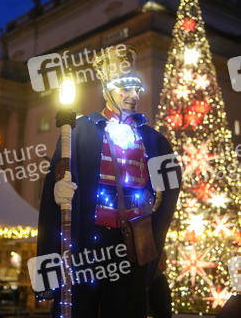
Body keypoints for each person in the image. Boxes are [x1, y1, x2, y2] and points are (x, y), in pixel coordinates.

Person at [37, 44, 181, 318]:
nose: (133, 96)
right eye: (124, 89)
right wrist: (58, 189)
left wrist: (155, 218)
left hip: (132, 245)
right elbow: (57, 176)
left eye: (136, 89)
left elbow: (170, 188)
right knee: (82, 308)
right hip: (89, 241)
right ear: (107, 90)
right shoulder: (79, 131)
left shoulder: (154, 140)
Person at [147, 250, 172, 318]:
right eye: (163, 260)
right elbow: (163, 308)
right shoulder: (159, 279)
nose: (164, 264)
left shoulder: (147, 276)